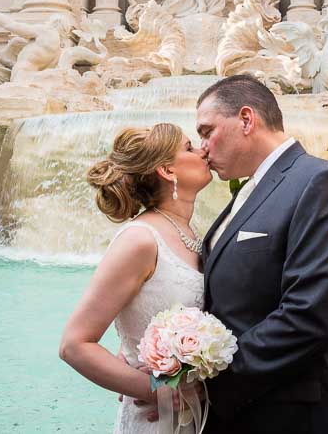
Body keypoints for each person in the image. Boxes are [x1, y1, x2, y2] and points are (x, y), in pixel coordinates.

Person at [195, 75, 328, 433]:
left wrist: (210, 384)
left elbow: (312, 317)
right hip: (246, 415)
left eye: (206, 131)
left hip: (299, 418)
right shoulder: (250, 190)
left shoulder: (319, 183)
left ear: (246, 120)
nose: (202, 148)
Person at [60, 124, 213, 433]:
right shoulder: (140, 239)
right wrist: (153, 388)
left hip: (197, 417)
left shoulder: (192, 232)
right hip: (157, 421)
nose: (203, 150)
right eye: (189, 148)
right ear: (167, 170)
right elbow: (74, 345)